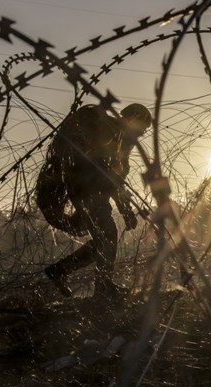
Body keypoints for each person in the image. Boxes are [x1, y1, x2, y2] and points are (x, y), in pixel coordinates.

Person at [39, 103, 152, 299]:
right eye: (141, 128)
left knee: (103, 239)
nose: (141, 134)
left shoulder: (122, 141)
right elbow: (106, 170)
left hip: (94, 192)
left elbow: (117, 179)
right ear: (132, 119)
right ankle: (103, 288)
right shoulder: (108, 130)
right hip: (87, 191)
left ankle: (60, 271)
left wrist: (124, 209)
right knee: (107, 235)